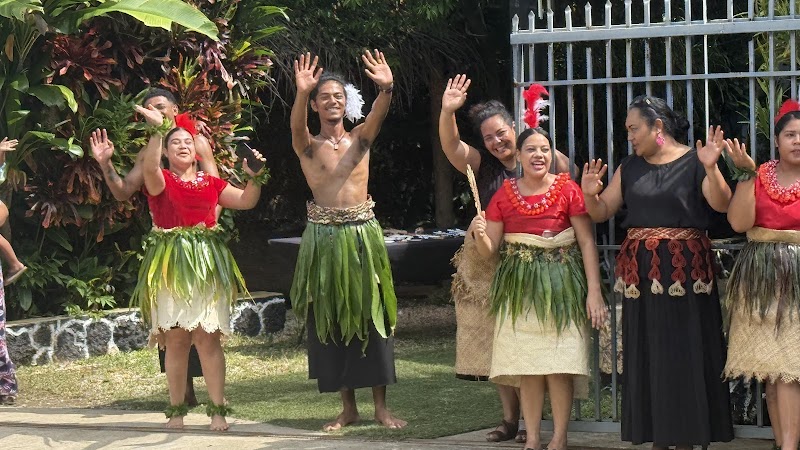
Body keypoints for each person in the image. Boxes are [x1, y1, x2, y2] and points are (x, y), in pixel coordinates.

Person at [581, 95, 734, 449]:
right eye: (628, 130)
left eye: (634, 128)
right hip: (644, 276)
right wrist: (590, 194)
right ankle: (658, 438)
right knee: (649, 353)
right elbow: (602, 211)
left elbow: (722, 204)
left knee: (688, 351)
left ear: (658, 127)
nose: (630, 136)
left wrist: (712, 167)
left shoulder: (697, 161)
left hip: (686, 274)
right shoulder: (630, 167)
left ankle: (691, 437)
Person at [438, 74, 572, 443]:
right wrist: (448, 111)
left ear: (515, 126)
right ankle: (511, 419)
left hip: (540, 265)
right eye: (489, 138)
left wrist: (542, 147)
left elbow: (570, 182)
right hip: (493, 264)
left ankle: (538, 422)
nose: (497, 142)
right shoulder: (487, 167)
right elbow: (452, 147)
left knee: (539, 341)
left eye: (501, 133)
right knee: (501, 342)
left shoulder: (543, 156)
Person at [119, 103, 263, 430]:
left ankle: (217, 411)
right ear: (166, 152)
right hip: (171, 267)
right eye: (175, 142)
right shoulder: (161, 182)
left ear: (196, 150)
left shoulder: (211, 184)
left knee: (207, 339)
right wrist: (158, 132)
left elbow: (246, 201)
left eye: (188, 141)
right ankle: (176, 412)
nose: (183, 145)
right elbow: (151, 170)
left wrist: (256, 177)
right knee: (177, 340)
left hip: (207, 266)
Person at [288, 50, 406, 431]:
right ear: (317, 105)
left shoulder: (360, 140)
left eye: (338, 95)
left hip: (361, 237)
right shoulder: (308, 146)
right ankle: (348, 408)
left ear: (346, 100)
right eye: (325, 96)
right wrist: (302, 93)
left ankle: (381, 408)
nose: (332, 100)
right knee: (335, 319)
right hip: (324, 239)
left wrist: (386, 89)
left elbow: (378, 115)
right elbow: (295, 129)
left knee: (373, 319)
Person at [472, 127, 607, 450]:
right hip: (520, 289)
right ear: (518, 156)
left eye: (545, 149)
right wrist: (480, 233)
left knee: (559, 365)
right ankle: (532, 439)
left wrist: (594, 291)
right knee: (528, 367)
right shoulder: (504, 194)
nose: (539, 156)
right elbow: (489, 251)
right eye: (531, 149)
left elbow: (586, 242)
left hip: (562, 283)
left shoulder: (568, 189)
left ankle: (559, 438)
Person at [90, 88, 218, 407]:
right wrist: (105, 165)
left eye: (160, 107)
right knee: (172, 319)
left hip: (200, 244)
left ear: (175, 109)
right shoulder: (149, 154)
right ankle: (183, 392)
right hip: (166, 248)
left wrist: (200, 229)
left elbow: (216, 191)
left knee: (202, 319)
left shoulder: (197, 143)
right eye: (148, 110)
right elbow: (122, 192)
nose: (154, 113)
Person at [724, 99, 800, 450]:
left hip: (795, 276)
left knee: (788, 369)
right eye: (790, 134)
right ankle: (781, 441)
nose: (797, 140)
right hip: (761, 276)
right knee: (770, 372)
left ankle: (788, 446)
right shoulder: (760, 174)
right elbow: (739, 223)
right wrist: (746, 175)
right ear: (776, 140)